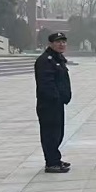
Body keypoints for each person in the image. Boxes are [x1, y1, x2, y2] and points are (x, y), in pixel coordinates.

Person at [34, 32, 72, 173]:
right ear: (50, 44)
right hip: (49, 104)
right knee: (50, 134)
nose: (61, 44)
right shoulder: (45, 60)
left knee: (57, 133)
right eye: (58, 42)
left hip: (57, 104)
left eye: (63, 42)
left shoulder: (58, 58)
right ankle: (51, 163)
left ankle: (55, 159)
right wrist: (56, 98)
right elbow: (46, 84)